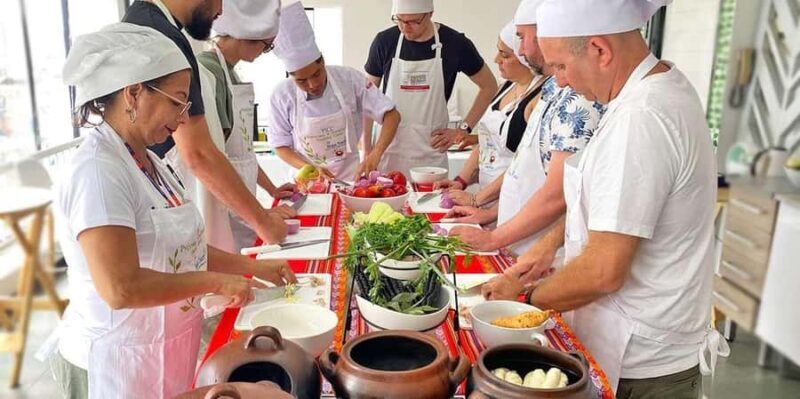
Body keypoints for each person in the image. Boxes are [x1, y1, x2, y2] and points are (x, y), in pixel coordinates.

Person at [483, 0, 729, 396]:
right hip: (626, 341)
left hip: (642, 361)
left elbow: (604, 271)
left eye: (560, 66)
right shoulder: (650, 91)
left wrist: (527, 300)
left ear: (600, 49)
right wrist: (547, 248)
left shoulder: (642, 119)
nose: (559, 83)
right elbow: (612, 202)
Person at [50, 24, 297, 399]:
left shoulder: (148, 161)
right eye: (177, 101)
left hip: (159, 351)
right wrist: (215, 282)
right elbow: (121, 288)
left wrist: (253, 267)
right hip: (113, 364)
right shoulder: (99, 171)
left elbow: (183, 251)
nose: (183, 117)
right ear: (134, 92)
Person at [123, 0, 288, 252]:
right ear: (131, 95)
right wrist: (263, 222)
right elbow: (198, 154)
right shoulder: (160, 36)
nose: (221, 11)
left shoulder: (157, 26)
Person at [445, 0, 604, 257]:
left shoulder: (578, 97)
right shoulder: (553, 87)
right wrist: (487, 212)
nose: (520, 51)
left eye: (521, 38)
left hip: (542, 251)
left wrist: (493, 235)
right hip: (515, 236)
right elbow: (524, 170)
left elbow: (557, 194)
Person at [197, 0, 297, 251]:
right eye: (267, 46)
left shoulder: (230, 73)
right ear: (251, 37)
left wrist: (271, 189)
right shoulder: (210, 73)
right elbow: (212, 160)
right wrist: (261, 218)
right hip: (219, 208)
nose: (264, 53)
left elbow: (242, 155)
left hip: (238, 205)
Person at [269, 1, 400, 181]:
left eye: (316, 74)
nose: (312, 84)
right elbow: (280, 145)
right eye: (301, 81)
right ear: (291, 76)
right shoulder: (281, 95)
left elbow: (391, 115)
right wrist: (310, 168)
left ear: (322, 61)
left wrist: (375, 153)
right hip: (308, 182)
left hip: (350, 179)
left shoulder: (349, 79)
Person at [364, 0, 498, 175]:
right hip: (388, 151)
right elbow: (367, 98)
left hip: (431, 155)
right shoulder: (384, 41)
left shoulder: (455, 43)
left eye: (413, 21)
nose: (405, 28)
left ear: (430, 14)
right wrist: (367, 150)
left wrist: (463, 129)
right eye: (400, 20)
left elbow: (489, 86)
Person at [434, 21, 545, 199]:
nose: (496, 60)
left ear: (524, 56)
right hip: (487, 194)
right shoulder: (505, 87)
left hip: (514, 196)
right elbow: (486, 141)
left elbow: (523, 164)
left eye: (505, 55)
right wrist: (461, 181)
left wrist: (477, 200)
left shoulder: (538, 98)